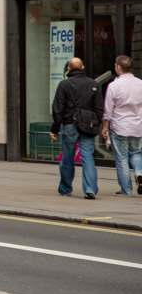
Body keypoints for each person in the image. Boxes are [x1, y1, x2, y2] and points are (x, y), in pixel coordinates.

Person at [50, 57, 103, 199]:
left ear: (68, 69)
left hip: (69, 125)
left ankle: (66, 189)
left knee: (67, 158)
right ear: (83, 67)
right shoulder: (93, 84)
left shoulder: (64, 84)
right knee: (88, 158)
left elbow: (57, 109)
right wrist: (96, 124)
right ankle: (90, 189)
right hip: (88, 126)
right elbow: (99, 107)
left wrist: (54, 128)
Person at [101, 54, 142, 197]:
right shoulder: (140, 83)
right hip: (137, 126)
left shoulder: (114, 85)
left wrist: (105, 127)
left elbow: (108, 109)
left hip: (120, 126)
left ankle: (126, 191)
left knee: (122, 159)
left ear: (118, 67)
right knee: (136, 154)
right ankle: (139, 173)